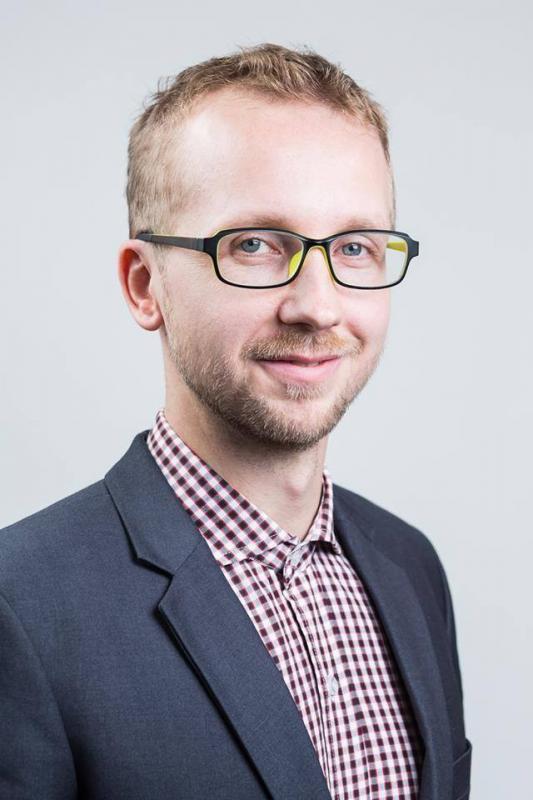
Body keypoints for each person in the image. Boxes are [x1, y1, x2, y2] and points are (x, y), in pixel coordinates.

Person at [0, 42, 472, 800]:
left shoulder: (410, 568)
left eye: (354, 247)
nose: (317, 306)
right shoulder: (20, 606)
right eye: (253, 245)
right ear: (145, 284)